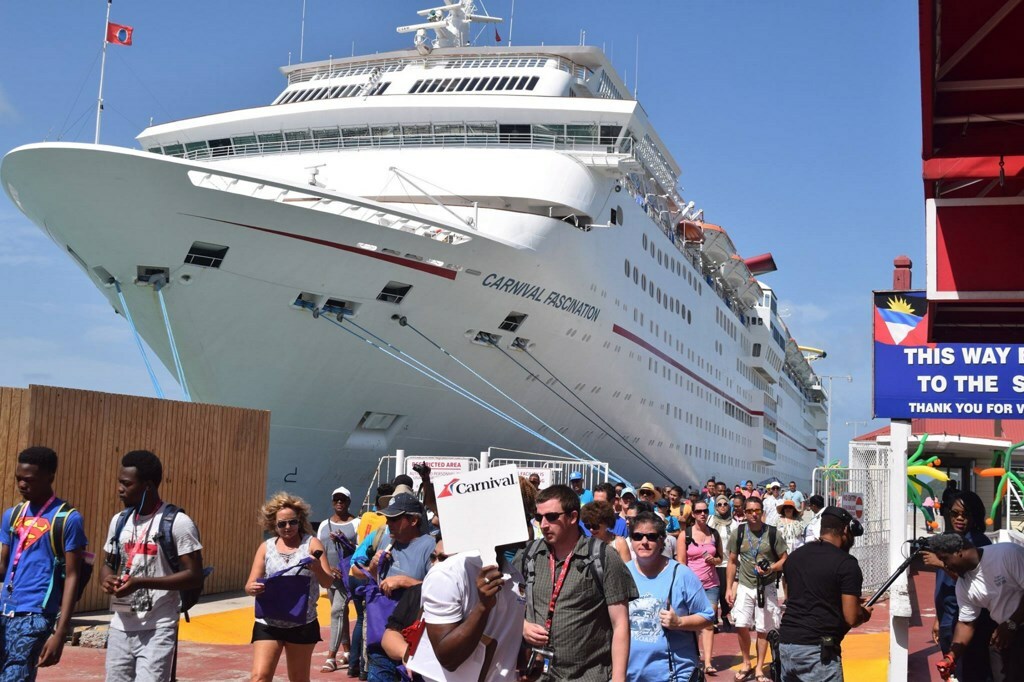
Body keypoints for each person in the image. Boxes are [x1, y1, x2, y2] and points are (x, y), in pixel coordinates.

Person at [411, 479, 534, 682]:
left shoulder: (515, 576)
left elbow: (501, 640)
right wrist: (482, 607)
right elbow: (447, 658)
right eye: (525, 517)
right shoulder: (447, 575)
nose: (530, 526)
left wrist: (525, 661)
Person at [101, 450, 204, 682]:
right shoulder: (119, 521)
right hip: (120, 625)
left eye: (127, 484)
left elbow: (194, 576)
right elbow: (108, 564)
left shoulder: (177, 523)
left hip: (159, 626)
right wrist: (106, 579)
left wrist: (141, 583)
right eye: (120, 482)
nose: (120, 489)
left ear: (147, 486)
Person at [518, 484, 637, 682]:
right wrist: (521, 625)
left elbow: (621, 624)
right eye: (539, 518)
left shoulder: (603, 556)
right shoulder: (530, 554)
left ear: (573, 517)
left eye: (552, 517)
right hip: (538, 675)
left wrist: (618, 679)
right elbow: (505, 601)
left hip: (587, 676)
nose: (544, 524)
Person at [0, 446, 87, 680]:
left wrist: (60, 631)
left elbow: (72, 576)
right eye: (18, 479)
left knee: (14, 677)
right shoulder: (12, 515)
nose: (21, 485)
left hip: (35, 616)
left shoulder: (67, 519)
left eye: (29, 480)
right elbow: (4, 567)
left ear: (49, 476)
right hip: (4, 609)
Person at [778, 506, 873, 682]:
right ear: (846, 530)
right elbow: (851, 618)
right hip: (817, 651)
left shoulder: (795, 557)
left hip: (786, 644)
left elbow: (800, 596)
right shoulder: (846, 564)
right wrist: (864, 613)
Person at [246, 493, 332, 682]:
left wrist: (317, 568)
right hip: (268, 623)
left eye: (292, 522)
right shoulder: (266, 547)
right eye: (281, 524)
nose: (287, 528)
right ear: (274, 525)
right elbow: (250, 583)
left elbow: (328, 582)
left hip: (302, 623)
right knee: (259, 677)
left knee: (298, 679)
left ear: (299, 521)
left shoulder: (311, 544)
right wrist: (252, 588)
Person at [626, 511, 714, 681]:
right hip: (631, 675)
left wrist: (680, 622)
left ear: (662, 541)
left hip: (674, 675)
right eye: (638, 536)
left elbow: (708, 616)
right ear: (631, 540)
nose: (644, 542)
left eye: (651, 537)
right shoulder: (622, 573)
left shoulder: (681, 574)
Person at [928, 533, 1024, 682]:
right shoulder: (963, 585)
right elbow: (966, 623)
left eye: (945, 559)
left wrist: (1012, 623)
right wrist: (951, 657)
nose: (945, 566)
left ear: (958, 552)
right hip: (1006, 633)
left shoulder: (1007, 554)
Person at [921, 491, 995, 682]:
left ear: (974, 516)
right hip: (948, 618)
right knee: (952, 673)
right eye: (955, 514)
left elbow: (973, 582)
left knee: (971, 672)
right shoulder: (947, 539)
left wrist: (940, 563)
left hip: (969, 622)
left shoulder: (977, 543)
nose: (960, 518)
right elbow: (942, 586)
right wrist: (938, 619)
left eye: (965, 514)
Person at [367, 493, 437, 681]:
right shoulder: (387, 541)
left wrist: (405, 582)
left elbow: (438, 590)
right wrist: (373, 568)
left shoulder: (430, 546)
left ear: (414, 520)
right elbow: (377, 583)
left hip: (410, 639)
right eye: (388, 518)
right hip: (380, 633)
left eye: (395, 519)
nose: (389, 523)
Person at [726, 496, 788, 682]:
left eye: (757, 511)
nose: (754, 514)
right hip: (745, 585)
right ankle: (747, 662)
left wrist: (771, 568)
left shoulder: (772, 533)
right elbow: (731, 561)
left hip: (767, 585)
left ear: (763, 512)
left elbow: (785, 559)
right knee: (741, 625)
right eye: (750, 511)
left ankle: (760, 667)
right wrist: (729, 588)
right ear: (744, 513)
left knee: (763, 628)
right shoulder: (739, 532)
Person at [350, 483, 396, 679]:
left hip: (405, 607)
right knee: (365, 623)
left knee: (362, 622)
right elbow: (355, 564)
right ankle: (362, 667)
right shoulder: (380, 532)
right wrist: (372, 569)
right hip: (377, 594)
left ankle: (357, 666)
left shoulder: (426, 542)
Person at [679, 499, 724, 676]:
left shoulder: (714, 534)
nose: (702, 514)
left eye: (705, 511)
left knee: (708, 623)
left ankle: (708, 662)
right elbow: (682, 563)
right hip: (692, 586)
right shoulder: (686, 534)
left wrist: (715, 561)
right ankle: (693, 658)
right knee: (692, 625)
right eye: (698, 512)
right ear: (693, 514)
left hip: (711, 584)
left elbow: (721, 557)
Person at [317, 486, 359, 674]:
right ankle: (348, 652)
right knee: (341, 612)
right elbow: (318, 551)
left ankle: (331, 657)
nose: (339, 502)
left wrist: (346, 543)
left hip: (348, 576)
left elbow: (362, 549)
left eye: (343, 499)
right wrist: (326, 569)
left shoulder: (357, 523)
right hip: (330, 577)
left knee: (336, 612)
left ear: (349, 502)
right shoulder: (324, 525)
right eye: (336, 499)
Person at [709, 494, 739, 628]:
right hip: (712, 562)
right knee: (713, 591)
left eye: (725, 504)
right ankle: (713, 618)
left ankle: (724, 614)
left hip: (728, 563)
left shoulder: (734, 524)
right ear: (715, 507)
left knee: (726, 592)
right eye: (719, 504)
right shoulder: (710, 520)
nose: (722, 507)